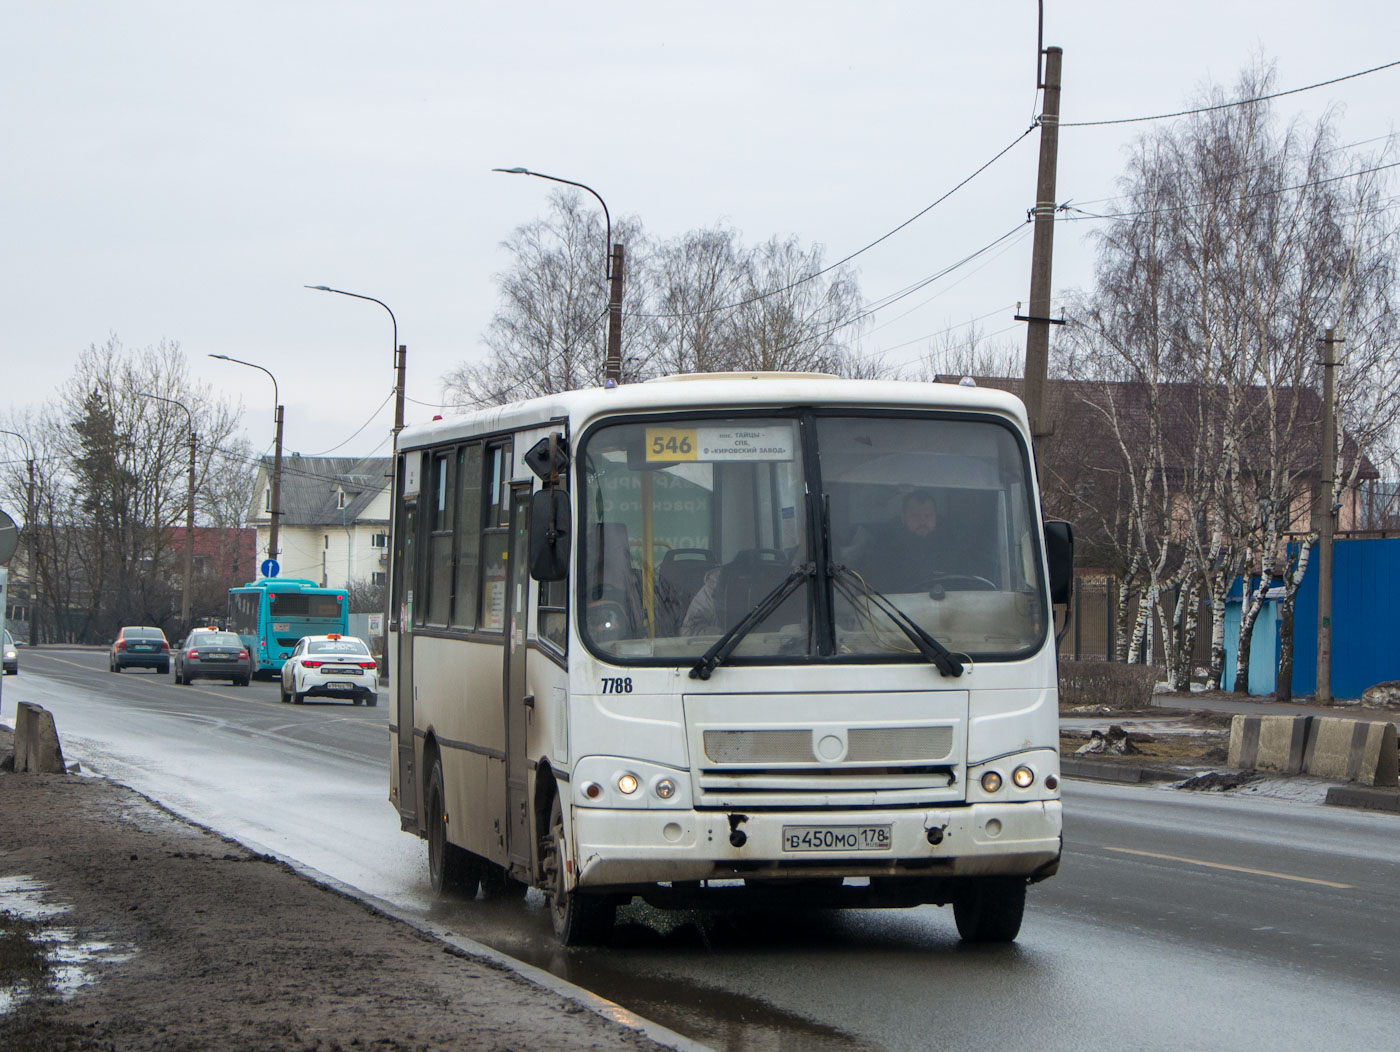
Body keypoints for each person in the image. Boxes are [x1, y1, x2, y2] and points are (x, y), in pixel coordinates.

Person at [855, 490, 949, 591]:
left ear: (936, 517)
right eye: (915, 515)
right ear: (903, 518)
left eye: (928, 515)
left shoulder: (951, 544)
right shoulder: (885, 547)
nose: (922, 521)